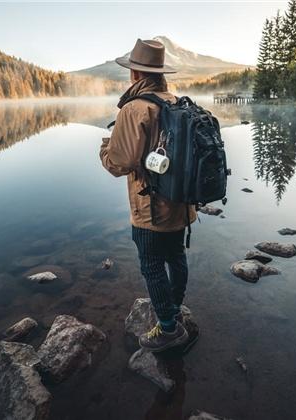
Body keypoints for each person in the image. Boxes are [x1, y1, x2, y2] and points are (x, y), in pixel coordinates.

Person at [99, 38, 197, 352]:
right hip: (182, 205)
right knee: (176, 256)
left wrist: (104, 149)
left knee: (152, 265)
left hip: (150, 209)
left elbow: (119, 164)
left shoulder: (134, 108)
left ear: (136, 74)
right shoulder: (177, 101)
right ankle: (175, 310)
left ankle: (168, 329)